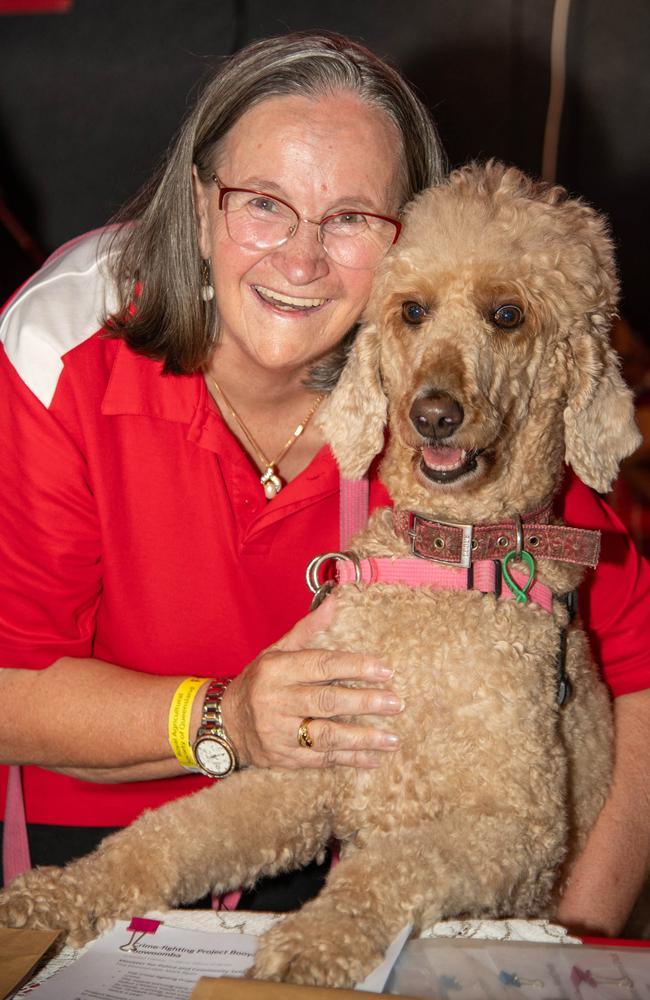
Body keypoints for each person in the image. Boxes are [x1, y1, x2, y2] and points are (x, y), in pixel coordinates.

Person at [0, 32, 648, 932]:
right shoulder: (61, 351)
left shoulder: (459, 408)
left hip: (375, 868)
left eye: (349, 219)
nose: (300, 260)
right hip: (100, 832)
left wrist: (568, 941)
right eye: (262, 203)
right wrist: (223, 717)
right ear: (197, 204)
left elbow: (639, 667)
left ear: (408, 237)